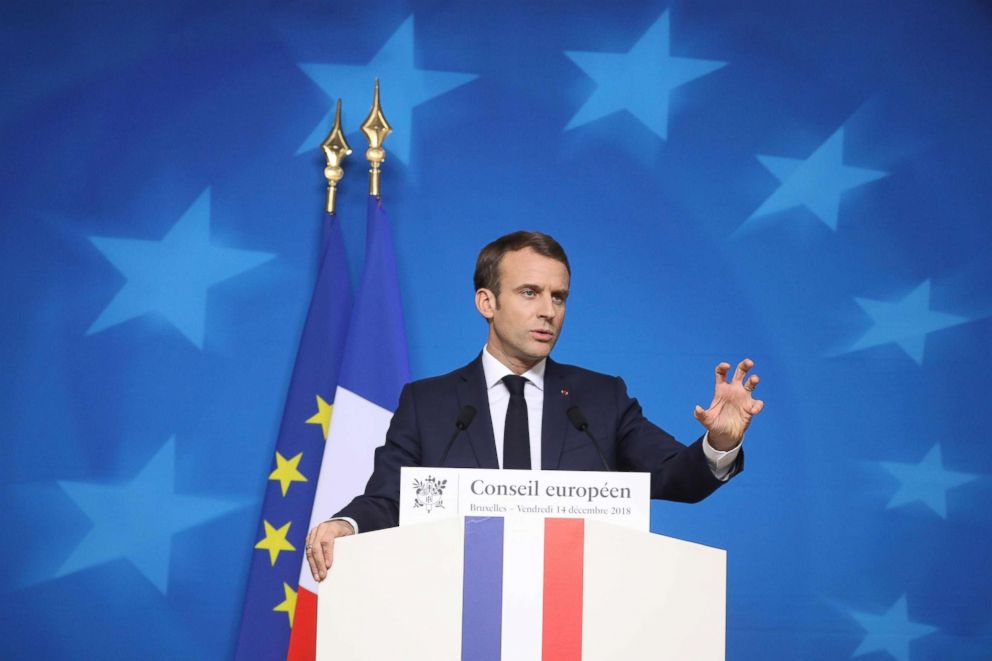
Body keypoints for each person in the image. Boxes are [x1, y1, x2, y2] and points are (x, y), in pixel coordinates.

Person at [305, 231, 764, 582]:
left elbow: (673, 476)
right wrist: (346, 525)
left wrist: (720, 441)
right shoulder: (428, 403)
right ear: (487, 301)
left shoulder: (602, 400)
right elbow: (390, 499)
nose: (549, 310)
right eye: (530, 293)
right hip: (458, 612)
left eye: (558, 296)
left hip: (578, 614)